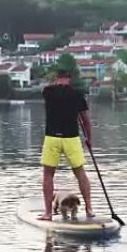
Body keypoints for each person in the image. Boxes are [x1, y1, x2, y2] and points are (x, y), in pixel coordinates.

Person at [38, 68, 94, 221]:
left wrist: (56, 83)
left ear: (57, 78)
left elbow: (51, 88)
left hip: (52, 137)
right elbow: (85, 120)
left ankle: (48, 213)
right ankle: (89, 209)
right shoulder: (77, 94)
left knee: (48, 175)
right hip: (72, 138)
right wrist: (89, 139)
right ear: (69, 79)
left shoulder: (48, 91)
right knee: (80, 173)